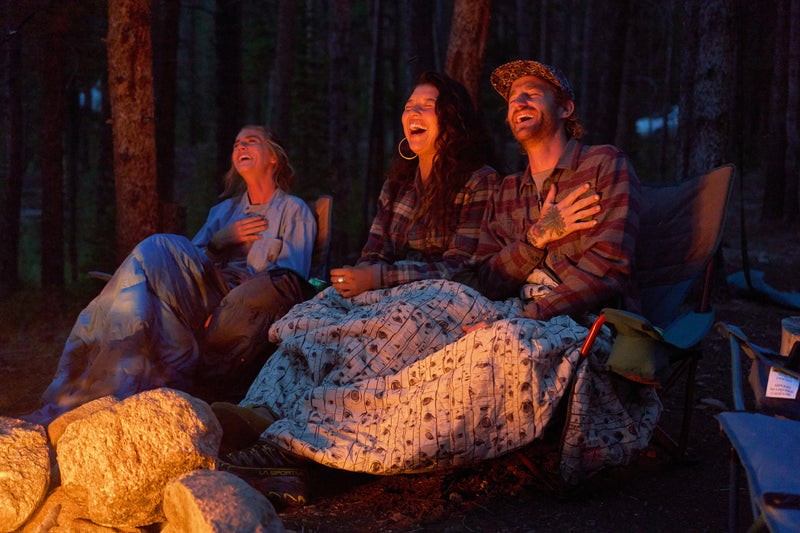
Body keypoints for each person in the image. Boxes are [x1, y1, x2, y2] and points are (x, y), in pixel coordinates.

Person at [214, 65, 656, 507]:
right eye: (512, 98)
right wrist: (538, 237)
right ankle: (263, 413)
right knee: (331, 315)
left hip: (572, 318)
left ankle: (301, 448)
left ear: (565, 107)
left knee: (449, 346)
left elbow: (607, 270)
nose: (518, 103)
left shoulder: (602, 164)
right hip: (506, 305)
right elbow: (491, 277)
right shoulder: (509, 191)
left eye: (532, 94)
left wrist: (528, 309)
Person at [24, 125, 317, 426]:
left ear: (274, 158)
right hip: (201, 290)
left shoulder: (294, 211)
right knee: (145, 286)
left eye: (251, 142)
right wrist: (219, 242)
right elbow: (189, 262)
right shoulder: (222, 212)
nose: (240, 147)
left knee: (154, 255)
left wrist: (242, 286)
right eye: (236, 142)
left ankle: (82, 387)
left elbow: (291, 279)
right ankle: (106, 393)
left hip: (243, 301)